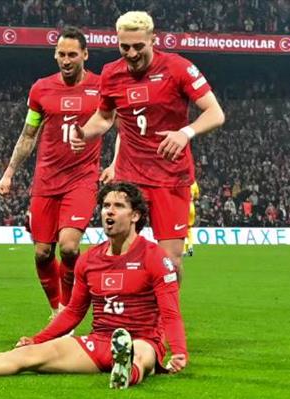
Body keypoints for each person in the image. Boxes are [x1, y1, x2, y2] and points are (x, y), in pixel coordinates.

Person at [0, 182, 188, 389]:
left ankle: (126, 370)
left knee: (139, 353)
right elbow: (73, 312)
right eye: (106, 205)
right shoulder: (90, 260)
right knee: (27, 356)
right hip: (98, 342)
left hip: (143, 340)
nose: (109, 211)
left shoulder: (154, 257)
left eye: (118, 206)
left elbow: (170, 312)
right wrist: (36, 340)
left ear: (135, 215)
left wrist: (178, 351)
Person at [71, 11, 225, 281]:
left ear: (153, 40)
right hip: (130, 177)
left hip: (171, 177)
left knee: (170, 262)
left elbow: (215, 113)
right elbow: (104, 118)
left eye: (138, 46)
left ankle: (167, 308)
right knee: (121, 252)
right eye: (124, 47)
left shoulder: (178, 68)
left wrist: (185, 133)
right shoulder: (111, 73)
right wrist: (85, 133)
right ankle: (126, 306)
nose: (131, 53)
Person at [0, 27, 103, 316]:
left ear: (85, 54)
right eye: (61, 54)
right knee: (43, 253)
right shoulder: (41, 89)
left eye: (72, 54)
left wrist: (116, 163)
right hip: (46, 180)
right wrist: (9, 173)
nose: (66, 60)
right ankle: (56, 310)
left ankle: (67, 311)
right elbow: (28, 134)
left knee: (68, 248)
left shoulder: (102, 87)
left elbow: (120, 126)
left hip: (82, 179)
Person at [184, 181, 200, 256]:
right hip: (191, 207)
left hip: (183, 206)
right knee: (189, 229)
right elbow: (197, 196)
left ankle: (183, 250)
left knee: (182, 229)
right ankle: (190, 248)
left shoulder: (182, 182)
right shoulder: (194, 183)